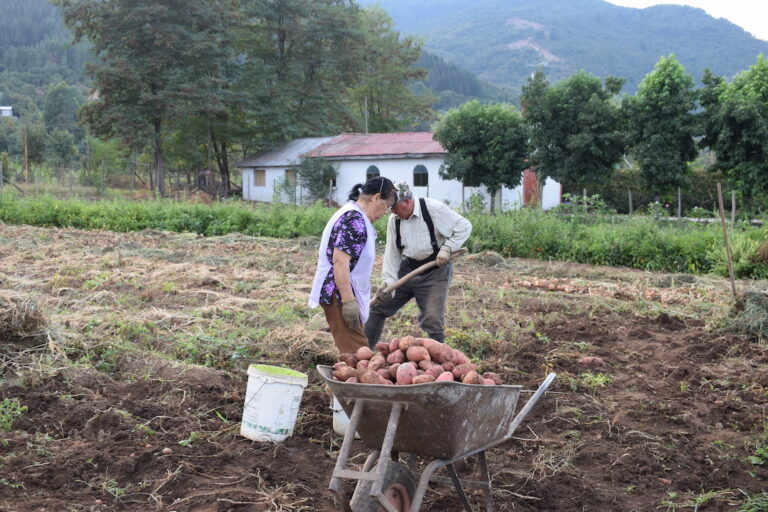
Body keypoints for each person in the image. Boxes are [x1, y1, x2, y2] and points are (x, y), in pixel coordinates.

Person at [365, 182, 472, 347]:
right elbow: (392, 253)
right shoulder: (395, 221)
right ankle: (365, 352)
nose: (391, 212)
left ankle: (437, 361)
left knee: (432, 318)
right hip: (408, 270)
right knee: (378, 307)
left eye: (394, 207)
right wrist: (388, 281)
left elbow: (464, 226)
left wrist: (447, 248)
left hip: (435, 271)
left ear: (406, 202)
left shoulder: (433, 209)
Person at [308, 176, 398, 354]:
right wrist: (348, 302)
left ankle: (343, 380)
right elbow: (340, 262)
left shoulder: (354, 214)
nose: (384, 213)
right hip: (340, 293)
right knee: (358, 355)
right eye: (386, 207)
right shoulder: (354, 221)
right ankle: (352, 381)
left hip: (342, 291)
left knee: (351, 352)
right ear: (376, 197)